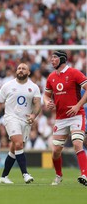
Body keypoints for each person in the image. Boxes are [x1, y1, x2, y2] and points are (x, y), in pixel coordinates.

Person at [0, 63, 42, 184]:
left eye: (24, 69)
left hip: (26, 121)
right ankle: (25, 174)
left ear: (28, 72)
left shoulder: (34, 87)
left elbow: (37, 103)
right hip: (11, 118)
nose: (21, 70)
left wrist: (34, 115)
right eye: (19, 68)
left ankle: (4, 176)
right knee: (18, 144)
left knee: (14, 148)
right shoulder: (8, 86)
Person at [43, 50, 87, 186]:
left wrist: (77, 106)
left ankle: (84, 175)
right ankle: (58, 175)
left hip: (76, 115)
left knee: (77, 143)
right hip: (60, 118)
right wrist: (47, 102)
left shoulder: (74, 73)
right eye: (51, 57)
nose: (51, 60)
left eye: (54, 57)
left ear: (62, 59)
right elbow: (46, 96)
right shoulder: (51, 77)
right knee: (56, 151)